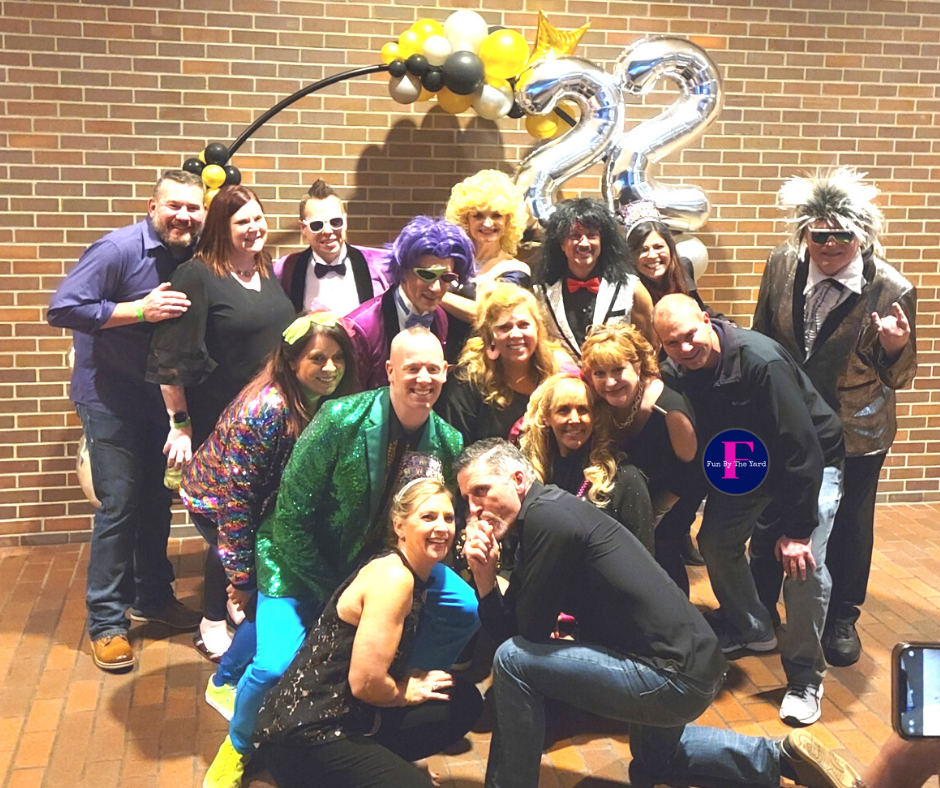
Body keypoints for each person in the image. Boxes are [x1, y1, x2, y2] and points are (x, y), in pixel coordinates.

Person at [455, 438, 862, 788]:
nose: (473, 509)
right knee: (656, 761)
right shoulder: (551, 509)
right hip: (692, 664)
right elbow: (520, 625)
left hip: (668, 676)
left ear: (518, 480)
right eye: (467, 499)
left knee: (512, 662)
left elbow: (520, 637)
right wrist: (487, 578)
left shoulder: (546, 519)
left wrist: (487, 578)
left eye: (480, 491)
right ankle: (780, 757)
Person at [202, 328, 479, 788]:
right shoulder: (340, 418)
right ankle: (239, 744)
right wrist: (337, 596)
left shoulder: (447, 440)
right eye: (412, 368)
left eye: (434, 368)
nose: (424, 378)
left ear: (445, 373)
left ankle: (390, 695)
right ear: (390, 371)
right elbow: (290, 516)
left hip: (383, 566)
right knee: (274, 664)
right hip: (297, 561)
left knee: (461, 607)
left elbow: (442, 519)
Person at [654, 294, 845, 728]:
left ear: (707, 320)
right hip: (749, 461)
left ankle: (804, 677)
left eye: (689, 336)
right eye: (672, 343)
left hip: (810, 459)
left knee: (803, 566)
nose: (685, 349)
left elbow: (802, 448)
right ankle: (753, 627)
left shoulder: (760, 361)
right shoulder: (676, 370)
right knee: (716, 541)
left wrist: (797, 531)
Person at [753, 166, 917, 667]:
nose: (828, 245)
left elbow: (900, 377)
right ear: (805, 231)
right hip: (789, 420)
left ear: (861, 234)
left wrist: (895, 346)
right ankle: (761, 607)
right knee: (773, 512)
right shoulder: (783, 264)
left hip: (856, 428)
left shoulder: (891, 287)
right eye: (818, 234)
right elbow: (763, 332)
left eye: (840, 235)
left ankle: (842, 617)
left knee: (849, 522)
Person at [47, 170, 206, 672]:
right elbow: (63, 307)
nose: (184, 215)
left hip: (163, 402)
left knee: (158, 498)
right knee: (119, 505)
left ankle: (154, 598)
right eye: (175, 206)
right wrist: (139, 310)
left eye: (193, 207)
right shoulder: (116, 250)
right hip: (110, 399)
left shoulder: (195, 255)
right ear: (153, 207)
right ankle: (107, 623)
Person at [254, 476, 484, 788]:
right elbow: (365, 683)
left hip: (351, 713)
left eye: (448, 517)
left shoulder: (411, 572)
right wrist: (403, 692)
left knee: (461, 700)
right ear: (399, 526)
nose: (442, 527)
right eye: (427, 517)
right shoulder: (394, 579)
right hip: (310, 730)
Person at [181, 312, 357, 708]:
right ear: (292, 361)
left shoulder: (323, 401)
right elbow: (235, 501)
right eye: (317, 358)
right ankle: (225, 683)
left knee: (274, 590)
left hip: (265, 508)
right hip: (218, 504)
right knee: (267, 593)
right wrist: (242, 578)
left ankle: (242, 672)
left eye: (338, 358)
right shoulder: (267, 409)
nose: (330, 368)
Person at [580, 323, 700, 594]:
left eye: (618, 370)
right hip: (633, 494)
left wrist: (655, 511)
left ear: (638, 366)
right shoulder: (600, 402)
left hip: (672, 499)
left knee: (663, 558)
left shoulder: (669, 410)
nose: (610, 382)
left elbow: (691, 474)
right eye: (600, 373)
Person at [519, 372, 654, 552]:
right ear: (546, 418)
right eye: (563, 410)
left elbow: (643, 559)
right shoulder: (531, 475)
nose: (574, 420)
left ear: (594, 417)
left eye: (583, 410)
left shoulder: (624, 479)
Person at [346, 216, 475, 388]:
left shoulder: (440, 317)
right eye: (427, 275)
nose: (436, 288)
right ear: (403, 272)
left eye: (447, 277)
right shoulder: (361, 328)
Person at [437, 283, 569, 445]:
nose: (515, 334)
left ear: (537, 329)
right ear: (490, 336)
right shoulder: (467, 382)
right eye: (504, 327)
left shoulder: (556, 374)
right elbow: (455, 450)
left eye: (523, 325)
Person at [533, 197, 654, 358]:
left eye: (591, 235)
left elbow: (649, 347)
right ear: (561, 244)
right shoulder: (539, 293)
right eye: (575, 235)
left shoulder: (632, 289)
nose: (584, 243)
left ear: (602, 241)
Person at [441, 169, 532, 349]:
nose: (488, 223)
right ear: (466, 219)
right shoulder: (449, 259)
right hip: (437, 360)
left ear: (508, 221)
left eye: (497, 215)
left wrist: (436, 294)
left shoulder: (516, 269)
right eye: (478, 216)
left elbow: (492, 315)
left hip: (483, 363)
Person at [274, 179, 389, 315]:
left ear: (345, 222)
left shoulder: (377, 266)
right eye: (317, 225)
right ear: (303, 228)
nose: (328, 231)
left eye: (335, 222)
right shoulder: (286, 269)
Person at [623, 199, 709, 312]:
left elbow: (700, 311)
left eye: (658, 247)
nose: (652, 255)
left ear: (670, 247)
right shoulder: (627, 289)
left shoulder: (684, 268)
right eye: (643, 250)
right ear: (632, 256)